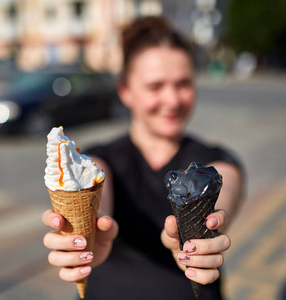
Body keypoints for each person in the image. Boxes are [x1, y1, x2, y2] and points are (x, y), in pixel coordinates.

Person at [42, 16, 244, 300]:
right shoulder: (101, 159)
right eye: (155, 86)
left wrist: (209, 227)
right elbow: (98, 182)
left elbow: (227, 187)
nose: (172, 100)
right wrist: (89, 231)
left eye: (183, 83)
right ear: (126, 91)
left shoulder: (216, 160)